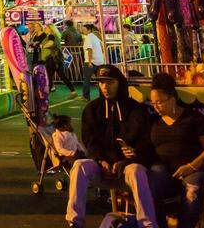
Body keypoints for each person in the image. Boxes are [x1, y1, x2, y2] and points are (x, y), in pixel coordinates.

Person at [66, 64, 158, 228]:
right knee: (79, 166)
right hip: (101, 166)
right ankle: (74, 221)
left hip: (128, 166)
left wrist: (128, 158)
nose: (105, 87)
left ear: (119, 83)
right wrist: (101, 160)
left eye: (110, 82)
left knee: (136, 171)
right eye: (101, 83)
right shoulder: (92, 109)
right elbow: (90, 141)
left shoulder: (136, 109)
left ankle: (148, 224)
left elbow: (145, 141)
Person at [147, 73, 204, 228]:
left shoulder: (193, 118)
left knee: (191, 189)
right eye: (153, 103)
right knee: (150, 185)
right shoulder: (153, 122)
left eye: (159, 102)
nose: (156, 107)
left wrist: (191, 166)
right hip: (164, 169)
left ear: (172, 99)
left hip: (193, 168)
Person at [38, 22, 78, 98]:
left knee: (49, 76)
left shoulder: (51, 35)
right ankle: (73, 91)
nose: (45, 29)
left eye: (46, 28)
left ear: (50, 29)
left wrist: (42, 46)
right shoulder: (55, 35)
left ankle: (46, 96)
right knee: (62, 75)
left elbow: (50, 43)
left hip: (52, 59)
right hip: (57, 58)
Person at [81, 24, 104, 100]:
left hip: (91, 61)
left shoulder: (88, 37)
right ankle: (102, 96)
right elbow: (102, 47)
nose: (83, 31)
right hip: (99, 61)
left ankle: (86, 96)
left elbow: (89, 49)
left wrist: (90, 61)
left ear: (89, 30)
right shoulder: (95, 37)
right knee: (100, 80)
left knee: (86, 79)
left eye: (84, 29)